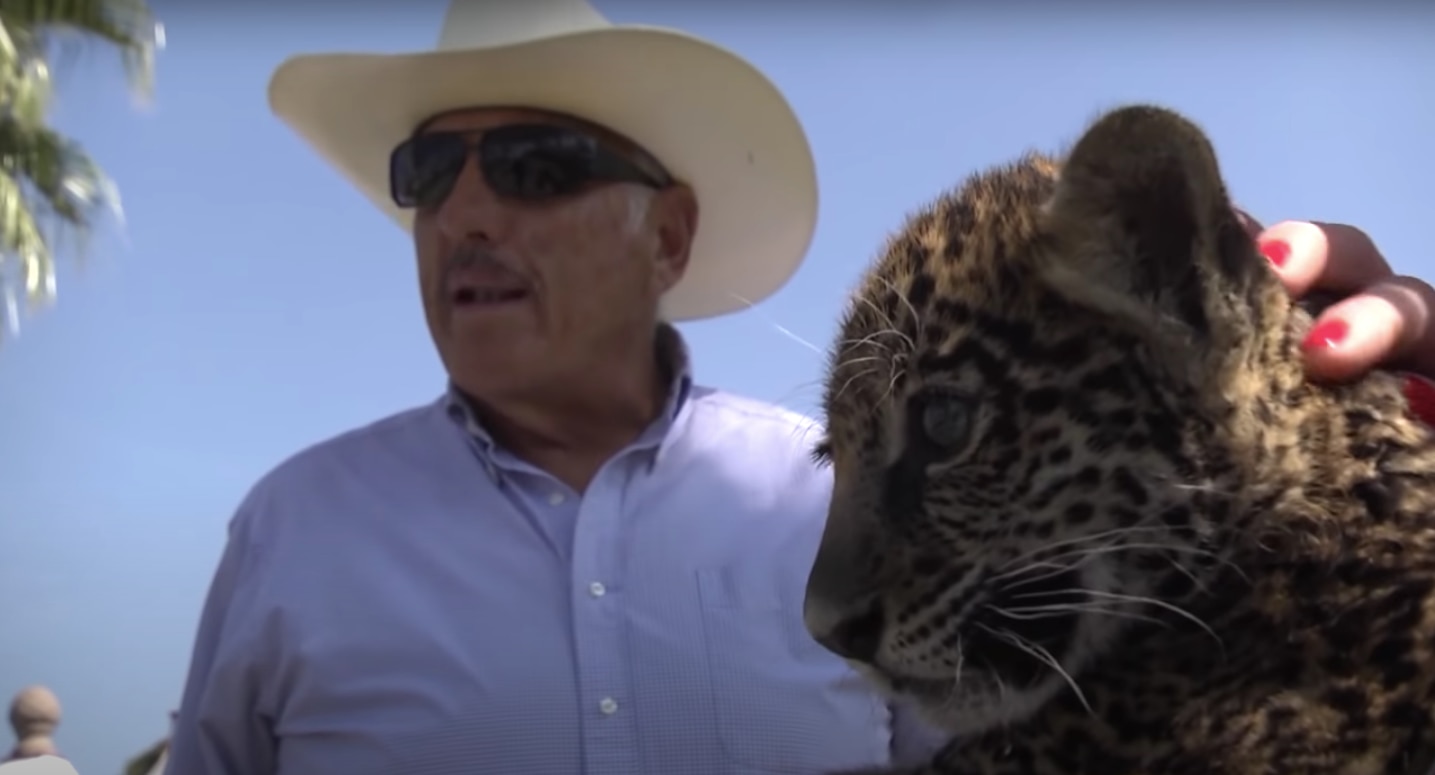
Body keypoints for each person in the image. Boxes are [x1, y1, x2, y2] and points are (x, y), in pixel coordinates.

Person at [163, 1, 1435, 773]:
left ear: (669, 236)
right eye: (428, 170)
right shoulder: (297, 528)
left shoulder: (801, 487)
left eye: (539, 162)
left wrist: (1366, 471)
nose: (468, 214)